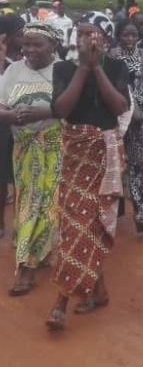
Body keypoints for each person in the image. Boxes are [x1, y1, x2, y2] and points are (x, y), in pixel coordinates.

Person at [47, 13, 130, 331]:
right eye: (81, 34)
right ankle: (81, 295)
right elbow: (61, 109)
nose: (85, 40)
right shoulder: (63, 68)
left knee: (92, 222)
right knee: (76, 224)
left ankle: (68, 299)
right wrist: (83, 68)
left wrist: (97, 67)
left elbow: (119, 106)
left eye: (92, 35)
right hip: (75, 153)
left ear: (105, 40)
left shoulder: (116, 68)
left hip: (105, 155)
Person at [0, 23, 62, 296]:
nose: (29, 50)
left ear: (54, 47)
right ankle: (36, 252)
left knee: (48, 204)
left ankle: (26, 269)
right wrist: (9, 116)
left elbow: (71, 107)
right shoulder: (13, 70)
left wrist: (42, 113)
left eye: (38, 45)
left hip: (56, 148)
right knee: (28, 202)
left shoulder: (63, 72)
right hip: (23, 149)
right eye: (26, 44)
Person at [109, 20, 143, 233]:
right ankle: (115, 208)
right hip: (115, 115)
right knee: (113, 162)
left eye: (134, 35)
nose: (130, 39)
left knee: (137, 164)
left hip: (138, 118)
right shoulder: (110, 56)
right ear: (118, 35)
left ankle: (141, 210)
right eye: (125, 35)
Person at [0, 14, 25, 238]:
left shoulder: (25, 59)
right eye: (20, 34)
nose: (24, 37)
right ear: (6, 37)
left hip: (20, 124)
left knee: (20, 176)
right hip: (2, 124)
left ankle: (19, 225)